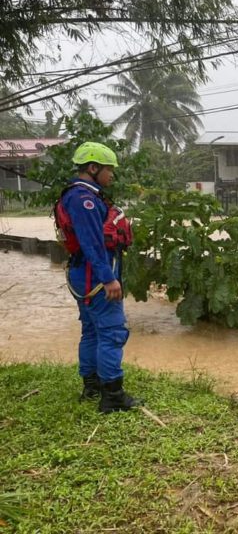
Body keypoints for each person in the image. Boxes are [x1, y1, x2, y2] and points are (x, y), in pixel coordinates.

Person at [54, 141, 142, 413]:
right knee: (112, 332)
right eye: (108, 169)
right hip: (96, 275)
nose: (111, 175)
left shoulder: (76, 194)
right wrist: (108, 278)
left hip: (84, 272)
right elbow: (92, 242)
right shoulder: (86, 200)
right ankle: (113, 397)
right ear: (93, 168)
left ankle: (92, 386)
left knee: (92, 330)